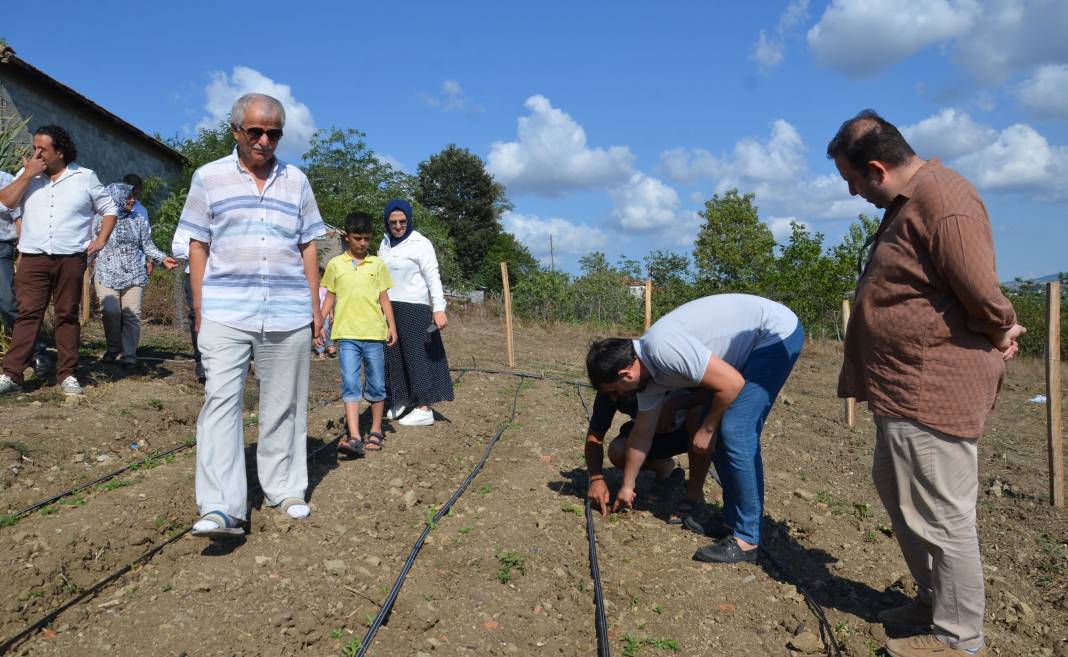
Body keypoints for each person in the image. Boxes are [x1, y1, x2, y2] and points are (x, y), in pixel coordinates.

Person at [828, 110, 1023, 657]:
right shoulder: (908, 205)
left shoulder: (945, 201)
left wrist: (1003, 325)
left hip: (931, 388)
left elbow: (979, 290)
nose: (851, 193)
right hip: (901, 389)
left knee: (942, 515)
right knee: (901, 496)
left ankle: (958, 639)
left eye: (850, 181)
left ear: (875, 168)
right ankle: (932, 604)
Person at [178, 93, 326, 538]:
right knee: (221, 403)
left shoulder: (296, 181)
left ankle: (284, 488)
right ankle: (222, 506)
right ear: (236, 131)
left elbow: (309, 245)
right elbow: (197, 243)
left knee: (284, 405)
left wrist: (315, 306)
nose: (264, 140)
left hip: (287, 311)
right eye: (255, 131)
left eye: (274, 133)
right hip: (226, 309)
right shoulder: (208, 178)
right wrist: (200, 306)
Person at [586, 294, 803, 564]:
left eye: (615, 390)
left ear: (625, 374)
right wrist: (627, 486)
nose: (617, 398)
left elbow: (732, 384)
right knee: (725, 429)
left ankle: (747, 540)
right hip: (751, 343)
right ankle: (731, 522)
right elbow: (641, 436)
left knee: (735, 429)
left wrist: (707, 428)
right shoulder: (649, 381)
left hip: (774, 334)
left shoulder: (662, 349)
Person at [0, 125, 118, 396]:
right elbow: (5, 203)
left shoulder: (85, 177)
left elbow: (109, 209)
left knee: (67, 315)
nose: (35, 154)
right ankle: (12, 374)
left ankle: (67, 374)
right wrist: (27, 175)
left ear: (60, 153)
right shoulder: (26, 174)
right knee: (27, 315)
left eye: (42, 149)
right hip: (32, 257)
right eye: (34, 148)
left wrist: (100, 240)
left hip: (70, 258)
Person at [319, 211, 397, 455]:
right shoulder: (335, 265)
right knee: (350, 382)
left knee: (375, 382)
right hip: (347, 334)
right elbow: (330, 296)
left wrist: (391, 325)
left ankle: (375, 430)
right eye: (357, 238)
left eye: (366, 238)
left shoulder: (377, 264)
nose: (363, 243)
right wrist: (319, 322)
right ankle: (354, 435)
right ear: (347, 237)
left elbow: (384, 298)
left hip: (374, 333)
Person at [377, 199, 452, 426]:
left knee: (417, 357)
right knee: (393, 356)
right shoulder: (384, 243)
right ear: (387, 222)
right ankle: (400, 399)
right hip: (390, 307)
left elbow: (433, 277)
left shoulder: (421, 243)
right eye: (393, 222)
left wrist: (439, 308)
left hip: (414, 308)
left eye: (402, 222)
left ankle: (424, 408)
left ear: (409, 220)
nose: (398, 226)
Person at [585, 387, 711, 518]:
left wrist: (676, 404)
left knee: (699, 413)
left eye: (617, 391)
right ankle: (663, 467)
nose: (615, 397)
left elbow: (711, 393)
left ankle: (694, 493)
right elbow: (595, 436)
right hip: (644, 436)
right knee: (618, 451)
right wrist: (596, 479)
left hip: (685, 433)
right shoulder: (610, 386)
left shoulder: (668, 371)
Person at [91, 183, 178, 366]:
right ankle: (114, 347)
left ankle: (129, 354)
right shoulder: (100, 220)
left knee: (132, 314)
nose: (133, 200)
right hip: (106, 273)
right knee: (111, 311)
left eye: (133, 196)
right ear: (117, 197)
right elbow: (91, 244)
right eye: (128, 197)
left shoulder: (137, 219)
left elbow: (147, 245)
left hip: (133, 274)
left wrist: (162, 259)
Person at [170, 226, 205, 383]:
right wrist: (199, 255)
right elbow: (177, 246)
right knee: (196, 316)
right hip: (194, 273)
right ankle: (202, 361)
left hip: (224, 276)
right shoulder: (191, 221)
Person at [0, 169, 19, 336]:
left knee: (7, 302)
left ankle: (35, 349)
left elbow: (19, 215)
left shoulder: (6, 179)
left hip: (1, 246)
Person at [313, 266, 336, 360]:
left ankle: (330, 345)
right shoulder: (311, 289)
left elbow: (329, 302)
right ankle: (320, 350)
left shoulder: (324, 289)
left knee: (326, 328)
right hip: (314, 314)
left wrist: (331, 313)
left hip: (324, 314)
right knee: (317, 332)